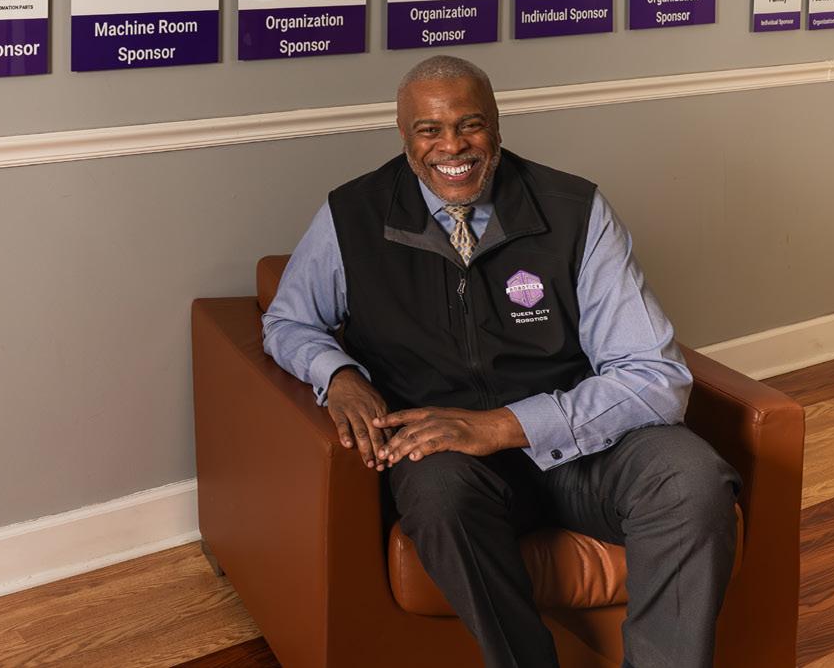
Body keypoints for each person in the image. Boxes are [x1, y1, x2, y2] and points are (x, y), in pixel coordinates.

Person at [262, 55, 740, 668]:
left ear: (496, 123)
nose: (452, 146)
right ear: (404, 135)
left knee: (692, 478)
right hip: (449, 459)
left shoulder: (576, 209)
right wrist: (339, 374)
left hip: (586, 445)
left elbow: (656, 377)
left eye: (470, 124)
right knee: (437, 497)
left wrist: (502, 426)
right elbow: (288, 321)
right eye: (429, 130)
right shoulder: (350, 216)